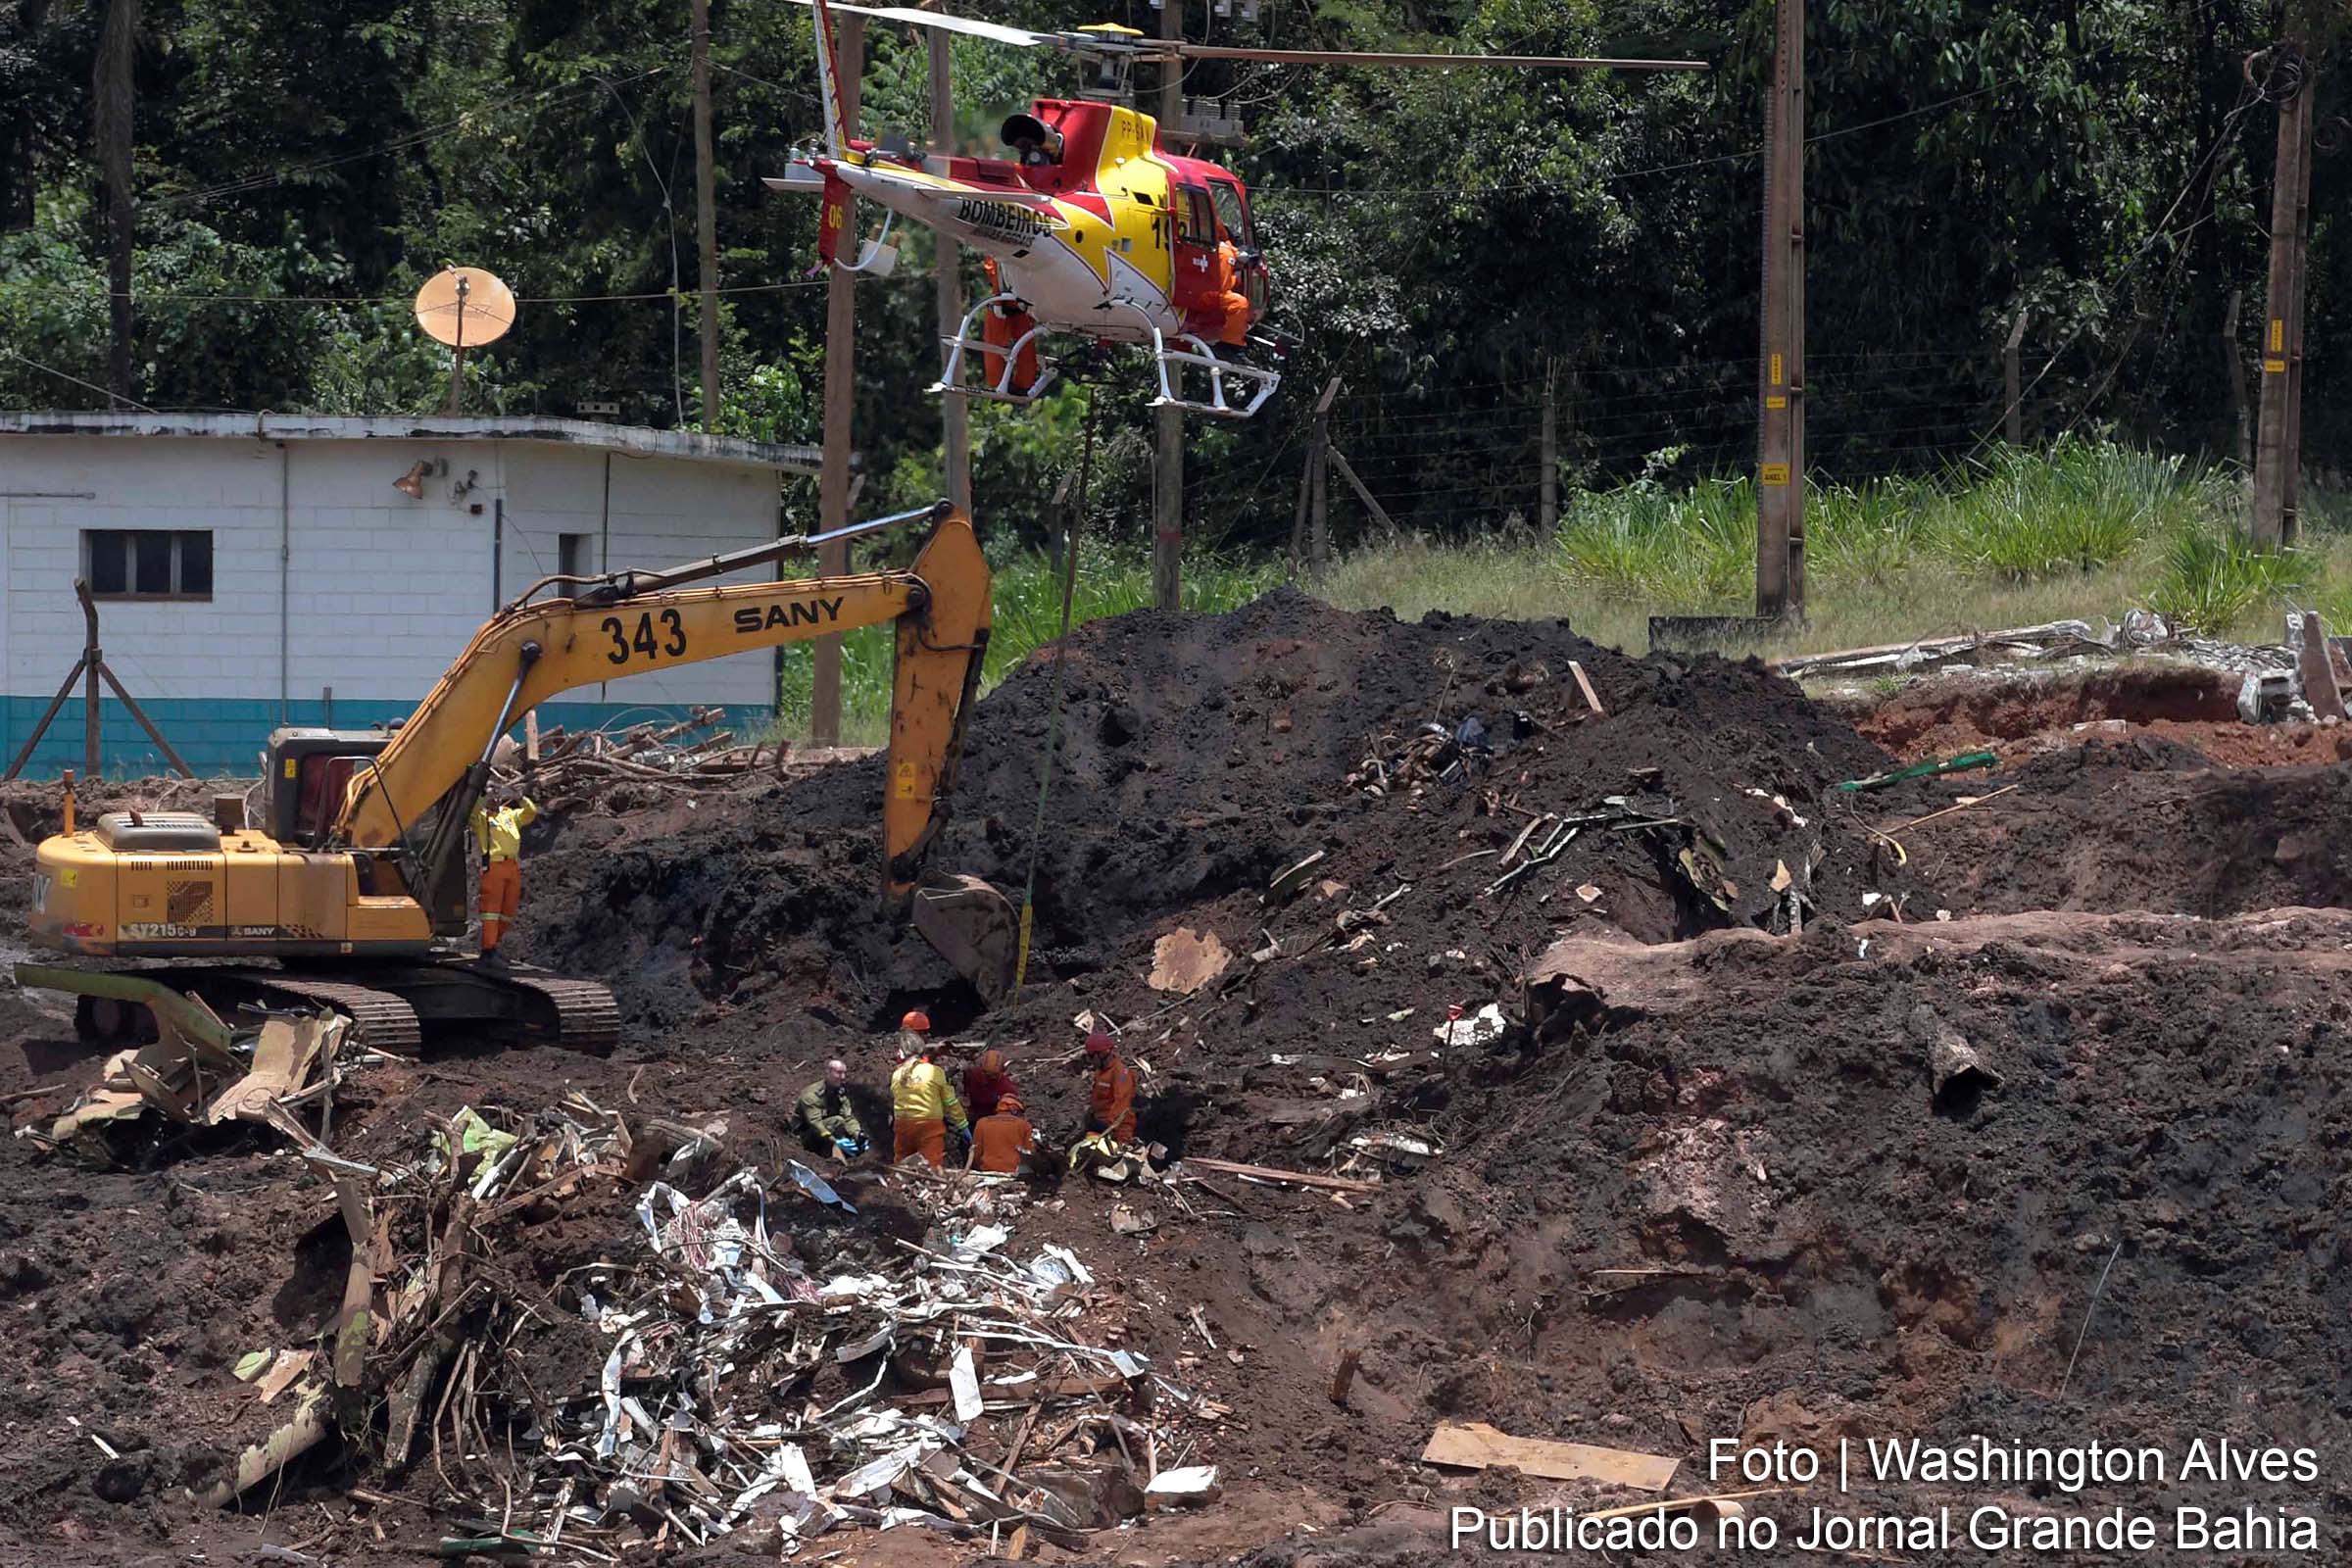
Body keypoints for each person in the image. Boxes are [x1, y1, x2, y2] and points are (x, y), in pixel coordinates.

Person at [469, 788, 540, 963]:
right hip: (494, 865)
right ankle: (488, 950)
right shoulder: (481, 817)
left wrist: (520, 798)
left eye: (496, 794)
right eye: (491, 795)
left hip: (512, 866)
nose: (495, 798)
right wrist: (484, 795)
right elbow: (472, 809)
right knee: (491, 912)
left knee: (508, 911)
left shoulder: (508, 815)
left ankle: (494, 946)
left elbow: (531, 812)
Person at [890, 1027, 967, 1169]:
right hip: (929, 1125)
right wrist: (963, 1125)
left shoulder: (897, 1075)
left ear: (901, 1052)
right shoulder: (934, 1072)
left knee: (902, 1167)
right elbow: (950, 1102)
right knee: (932, 1166)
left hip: (903, 1125)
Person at [794, 1058, 866, 1158]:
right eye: (839, 1073)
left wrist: (857, 1135)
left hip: (829, 1129)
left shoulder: (840, 1092)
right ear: (828, 1073)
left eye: (844, 1073)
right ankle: (831, 1154)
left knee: (846, 1126)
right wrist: (835, 1141)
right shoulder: (812, 1095)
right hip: (807, 1135)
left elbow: (848, 1117)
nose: (843, 1077)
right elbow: (815, 1123)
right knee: (837, 1120)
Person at [1081, 1031, 1136, 1144]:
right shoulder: (1101, 1072)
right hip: (1100, 1125)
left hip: (1118, 1131)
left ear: (1102, 1054)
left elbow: (1122, 1105)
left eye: (1091, 1056)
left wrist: (1108, 1127)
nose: (1090, 1061)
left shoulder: (1120, 1073)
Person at [967, 1093, 1036, 1175]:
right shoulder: (1024, 1125)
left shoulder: (982, 1123)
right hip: (1014, 1172)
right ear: (1015, 1111)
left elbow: (976, 1153)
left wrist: (980, 1167)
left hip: (987, 1171)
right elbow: (1029, 1155)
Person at [963, 1048, 1017, 1121]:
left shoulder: (1007, 1087)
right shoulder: (973, 1075)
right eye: (987, 1074)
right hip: (975, 1112)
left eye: (994, 1075)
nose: (990, 1078)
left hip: (993, 1117)